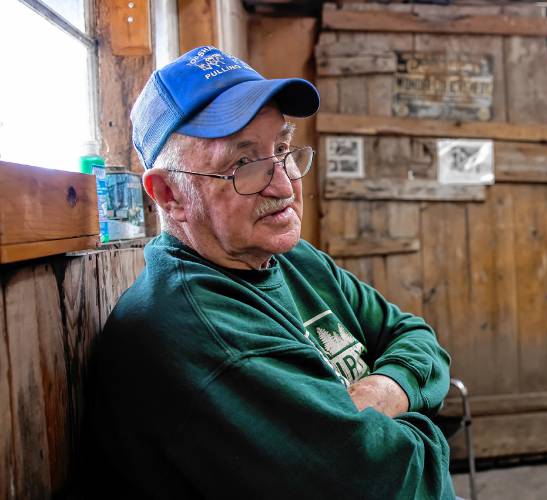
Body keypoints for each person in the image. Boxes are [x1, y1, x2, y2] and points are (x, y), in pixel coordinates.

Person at [86, 46, 455, 499]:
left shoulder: (293, 257)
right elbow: (400, 482)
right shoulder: (204, 335)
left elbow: (415, 334)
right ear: (169, 194)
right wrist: (426, 426)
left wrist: (382, 391)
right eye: (244, 164)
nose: (284, 185)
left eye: (281, 149)